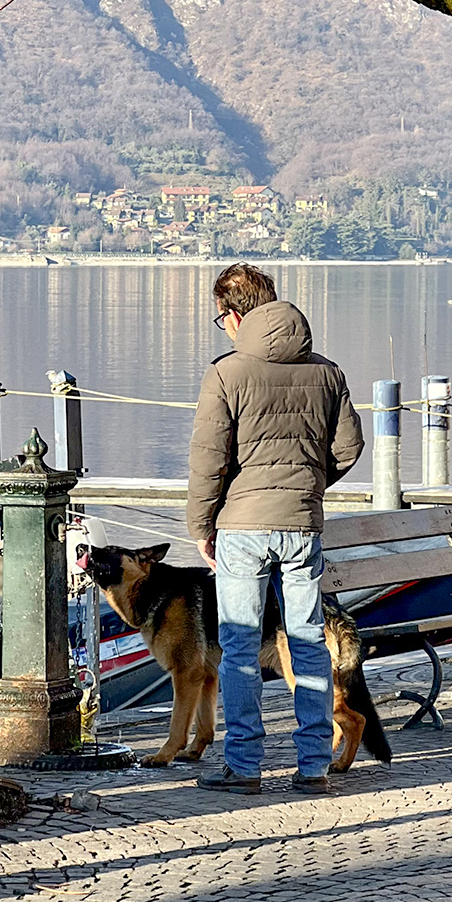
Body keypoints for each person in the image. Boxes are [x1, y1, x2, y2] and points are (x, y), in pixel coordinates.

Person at [187, 262, 364, 795]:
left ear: (235, 315)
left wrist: (201, 524)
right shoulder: (328, 373)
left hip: (241, 527)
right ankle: (312, 767)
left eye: (223, 319)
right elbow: (349, 449)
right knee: (308, 641)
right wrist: (307, 485)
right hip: (303, 525)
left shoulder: (225, 374)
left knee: (239, 647)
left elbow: (208, 460)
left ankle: (243, 767)